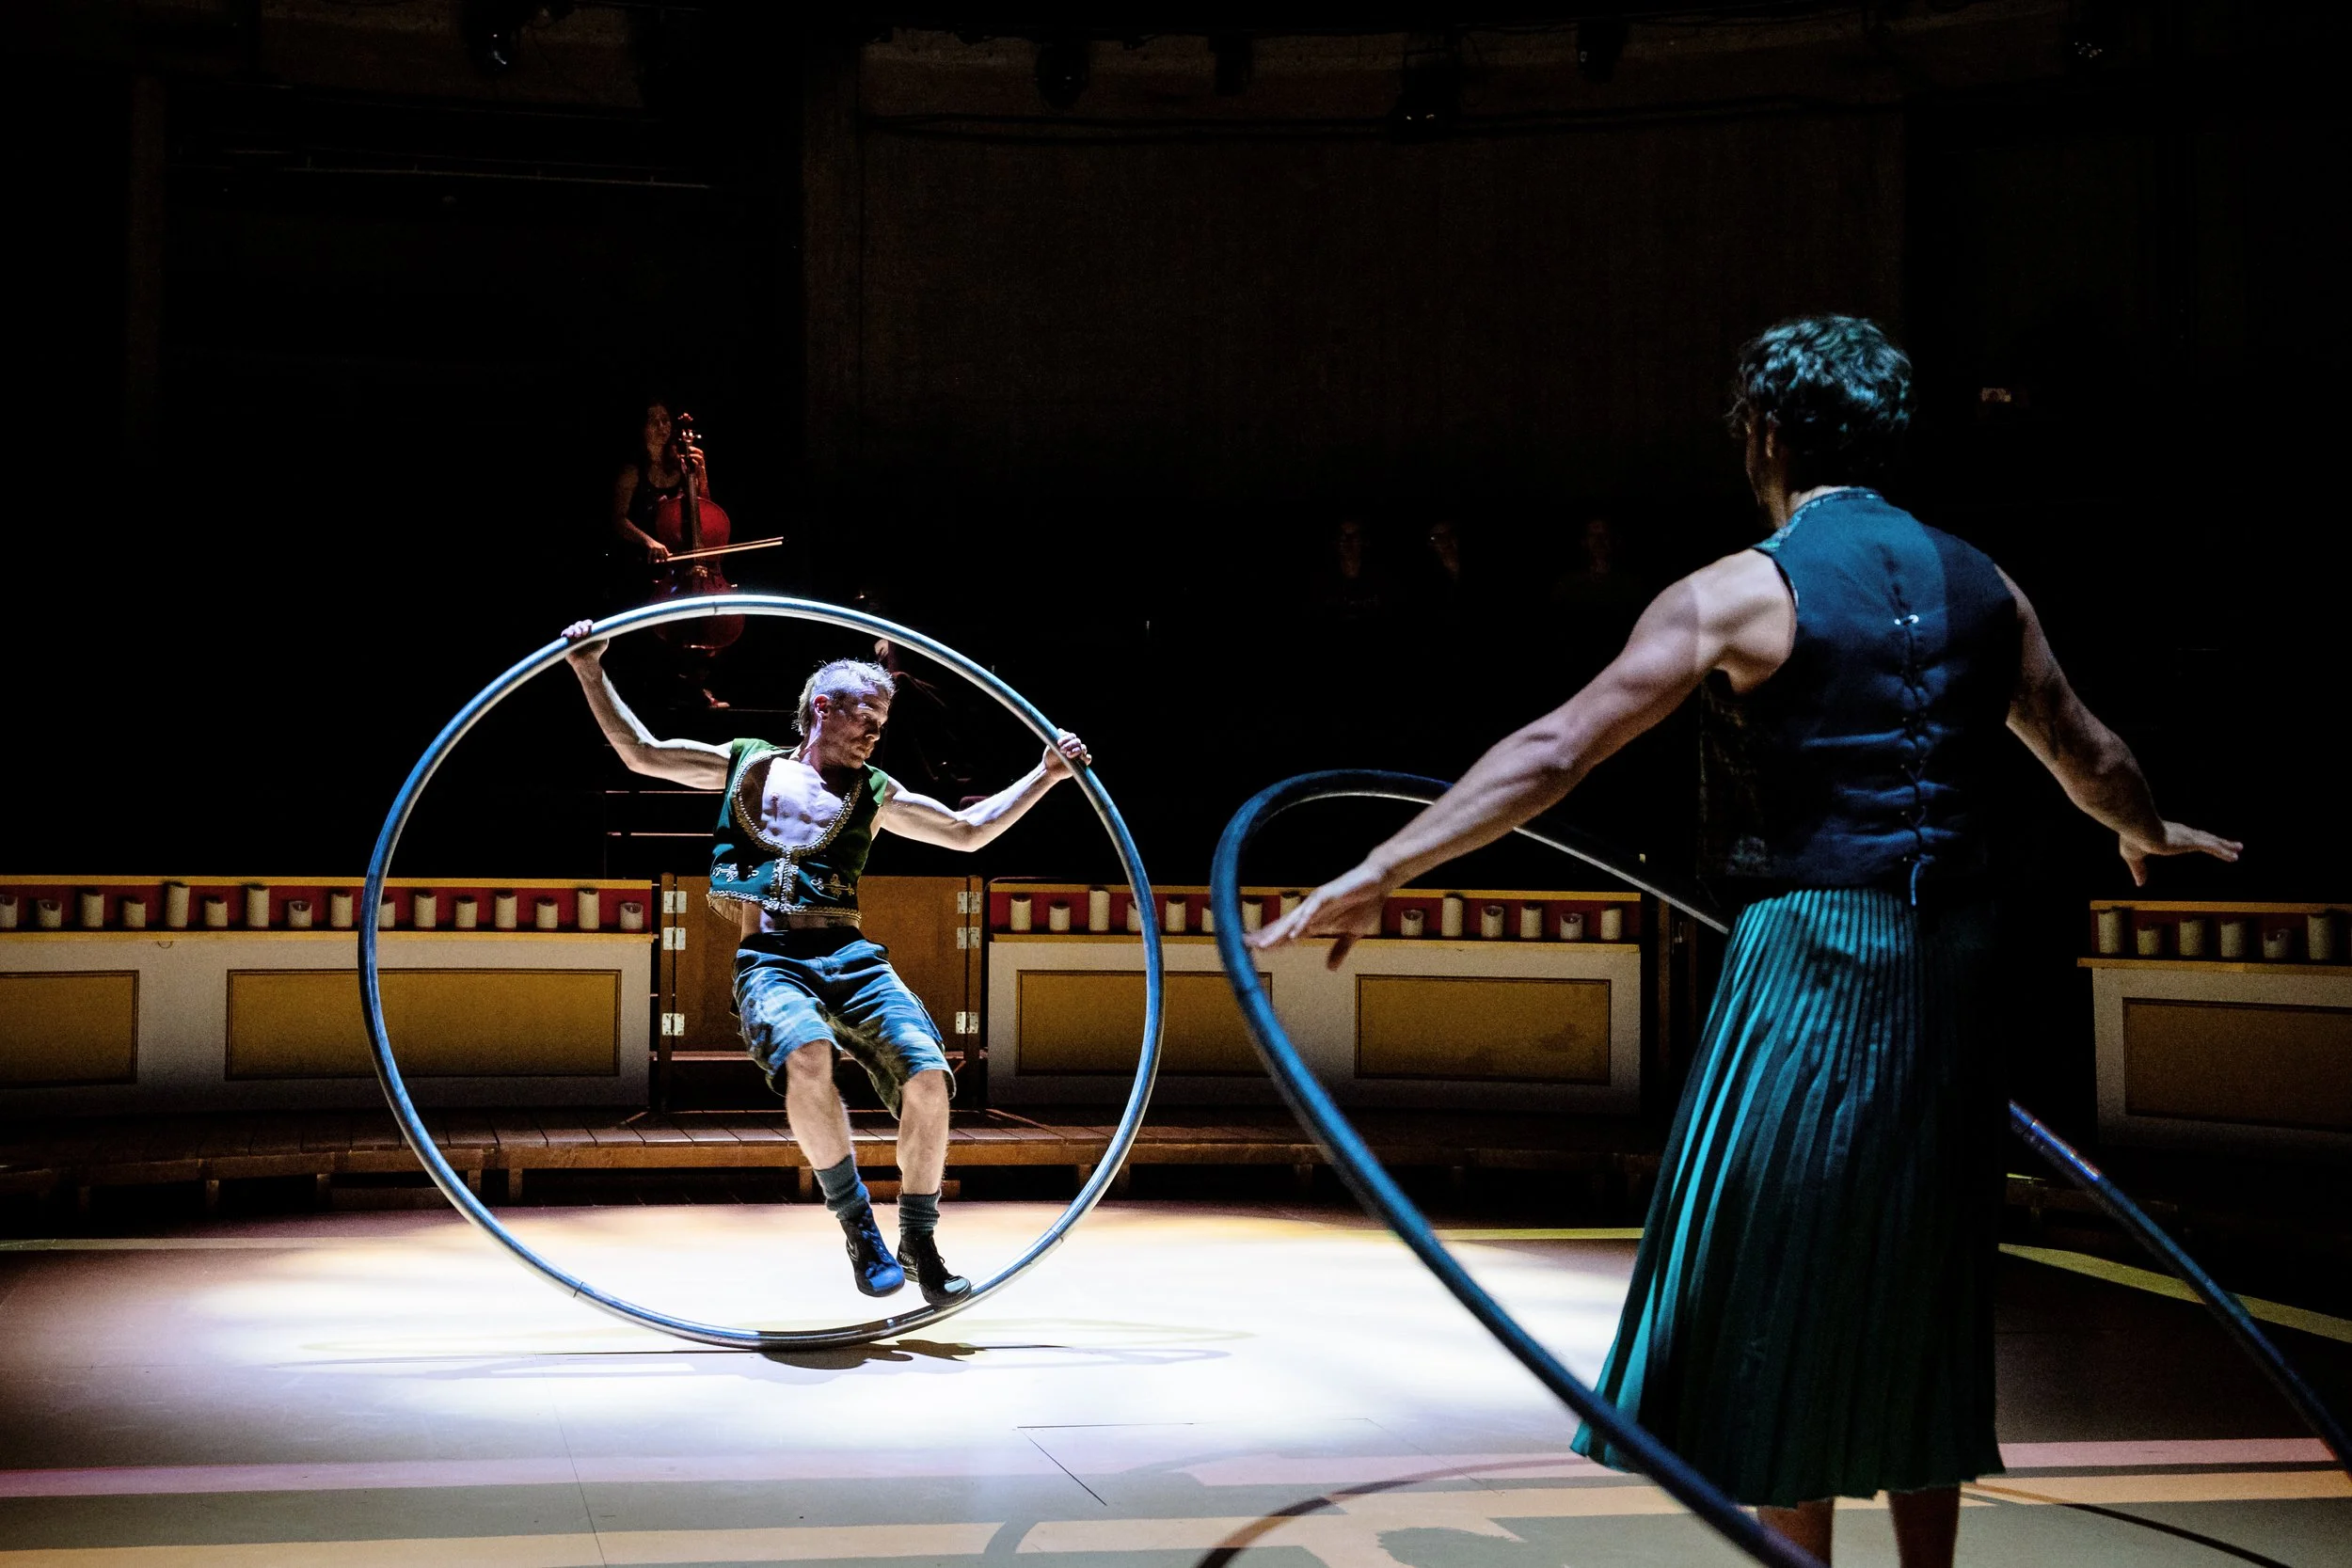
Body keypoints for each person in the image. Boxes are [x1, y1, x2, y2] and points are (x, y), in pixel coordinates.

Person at [1252, 316, 2237, 1567]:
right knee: (1918, 1274)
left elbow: (1556, 750)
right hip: (1955, 966)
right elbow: (2087, 752)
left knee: (1791, 1274)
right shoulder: (1985, 582)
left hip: (1816, 954)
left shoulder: (1739, 588)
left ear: (1767, 434)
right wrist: (2148, 831)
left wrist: (1381, 865)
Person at [562, 621, 1091, 1305]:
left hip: (850, 953)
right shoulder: (747, 762)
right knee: (808, 1054)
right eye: (866, 715)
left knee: (930, 1077)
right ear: (824, 708)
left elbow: (966, 833)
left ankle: (919, 1238)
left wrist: (1044, 775)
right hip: (772, 956)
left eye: (883, 719)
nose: (876, 730)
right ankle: (857, 1226)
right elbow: (642, 752)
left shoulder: (876, 791)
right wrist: (588, 668)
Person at [608, 400, 725, 708]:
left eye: (666, 420)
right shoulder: (633, 471)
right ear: (642, 428)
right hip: (645, 564)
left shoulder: (682, 466)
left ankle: (695, 685)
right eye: (655, 421)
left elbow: (706, 512)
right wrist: (648, 541)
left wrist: (701, 475)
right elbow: (618, 518)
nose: (664, 426)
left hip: (683, 565)